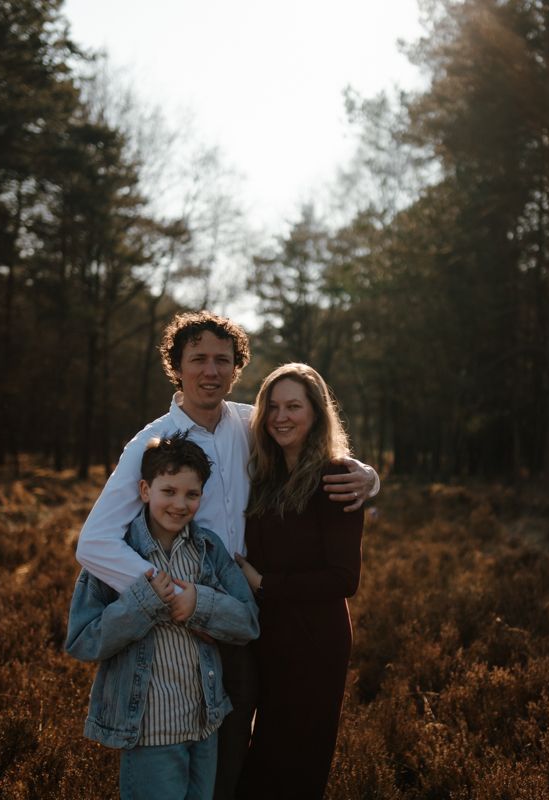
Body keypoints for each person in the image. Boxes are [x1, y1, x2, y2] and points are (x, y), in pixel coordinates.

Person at [75, 310, 379, 800]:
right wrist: (169, 592)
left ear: (237, 368)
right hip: (185, 621)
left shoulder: (248, 421)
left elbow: (310, 433)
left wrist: (367, 474)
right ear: (177, 366)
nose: (211, 371)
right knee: (182, 750)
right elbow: (93, 543)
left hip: (248, 617)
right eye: (198, 359)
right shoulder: (151, 441)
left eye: (223, 359)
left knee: (242, 755)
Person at [64, 433, 259, 800]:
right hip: (149, 731)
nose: (179, 504)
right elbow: (83, 640)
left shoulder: (209, 549)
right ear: (144, 489)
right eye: (168, 491)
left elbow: (248, 621)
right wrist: (143, 603)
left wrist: (199, 603)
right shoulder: (115, 555)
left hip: (204, 726)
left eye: (192, 494)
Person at [233, 363, 364, 800]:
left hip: (314, 642)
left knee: (296, 760)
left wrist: (265, 582)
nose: (281, 416)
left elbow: (344, 579)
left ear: (316, 414)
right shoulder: (264, 477)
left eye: (294, 406)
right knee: (262, 753)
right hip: (265, 637)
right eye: (272, 407)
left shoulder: (337, 477)